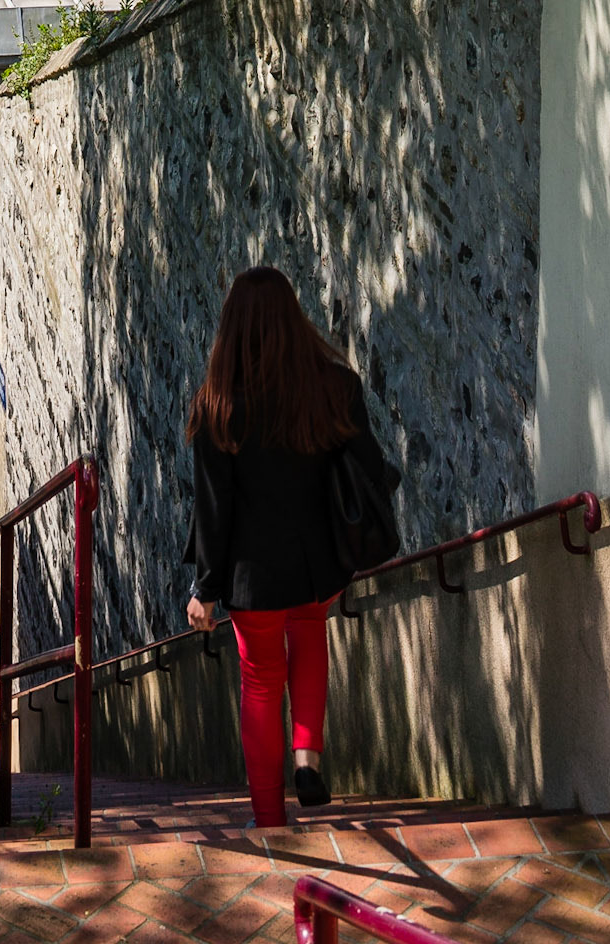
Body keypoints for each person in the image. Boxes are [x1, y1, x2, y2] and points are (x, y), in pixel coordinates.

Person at [184, 267, 396, 829]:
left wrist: (205, 590)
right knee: (310, 640)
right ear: (292, 320)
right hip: (317, 563)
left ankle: (269, 815)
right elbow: (369, 467)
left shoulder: (216, 408)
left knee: (259, 682)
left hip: (252, 578)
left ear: (231, 329)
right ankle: (307, 758)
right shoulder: (335, 389)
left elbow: (213, 510)